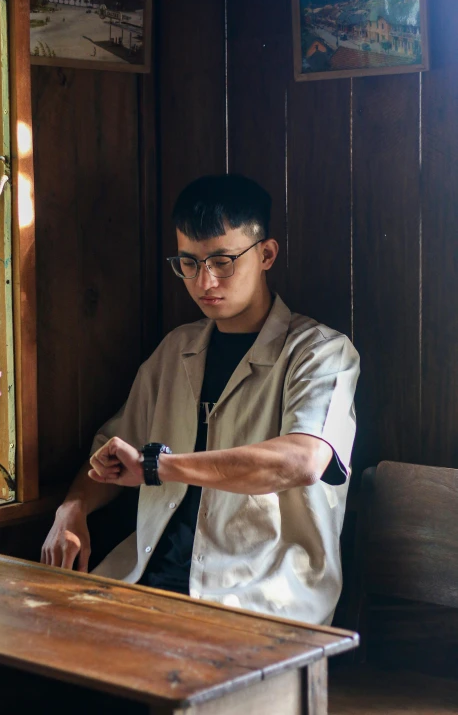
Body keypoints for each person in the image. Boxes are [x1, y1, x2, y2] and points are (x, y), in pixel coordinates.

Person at [42, 174, 360, 625]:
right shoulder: (176, 350)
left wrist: (158, 466)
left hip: (259, 595)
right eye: (188, 263)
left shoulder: (321, 351)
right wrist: (73, 507)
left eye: (223, 261)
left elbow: (302, 460)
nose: (204, 280)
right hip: (146, 581)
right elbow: (111, 450)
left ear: (266, 254)